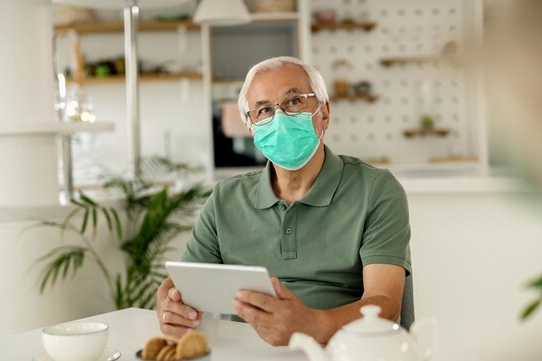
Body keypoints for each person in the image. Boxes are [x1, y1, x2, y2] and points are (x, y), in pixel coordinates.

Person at [156, 56, 412, 346]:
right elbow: (184, 283)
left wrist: (315, 325)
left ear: (324, 112)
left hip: (342, 355)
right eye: (264, 110)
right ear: (251, 128)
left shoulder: (376, 190)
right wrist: (168, 302)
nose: (279, 119)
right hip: (246, 358)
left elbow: (386, 304)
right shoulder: (225, 199)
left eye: (293, 102)